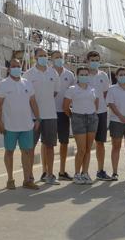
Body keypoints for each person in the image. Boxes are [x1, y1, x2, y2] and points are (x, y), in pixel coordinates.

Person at [0, 59, 40, 190]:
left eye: (18, 66)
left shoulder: (27, 83)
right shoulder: (3, 85)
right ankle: (10, 179)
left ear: (21, 68)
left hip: (26, 125)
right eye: (13, 66)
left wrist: (38, 119)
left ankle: (27, 180)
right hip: (10, 125)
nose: (16, 68)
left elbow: (33, 102)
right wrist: (0, 122)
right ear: (9, 69)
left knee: (27, 152)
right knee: (9, 152)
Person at [24, 48, 60, 184]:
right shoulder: (28, 74)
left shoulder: (53, 72)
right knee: (30, 147)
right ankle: (30, 176)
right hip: (33, 117)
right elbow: (27, 95)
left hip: (50, 115)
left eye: (45, 55)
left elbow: (55, 92)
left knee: (50, 146)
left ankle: (49, 175)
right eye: (41, 55)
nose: (44, 57)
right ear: (35, 57)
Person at [63, 67, 98, 185]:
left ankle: (85, 173)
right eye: (82, 74)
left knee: (88, 149)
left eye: (86, 74)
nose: (84, 76)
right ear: (77, 76)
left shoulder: (92, 89)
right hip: (78, 118)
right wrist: (74, 117)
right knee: (81, 149)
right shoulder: (72, 89)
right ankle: (77, 174)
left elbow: (96, 103)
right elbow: (65, 106)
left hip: (92, 118)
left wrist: (93, 113)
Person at [86, 51, 112, 181]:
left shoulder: (103, 75)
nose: (95, 62)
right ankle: (83, 172)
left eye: (97, 60)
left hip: (101, 112)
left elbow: (106, 93)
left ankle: (100, 170)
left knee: (100, 143)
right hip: (87, 113)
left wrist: (101, 105)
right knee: (86, 144)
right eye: (92, 60)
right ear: (87, 61)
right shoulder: (83, 75)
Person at [52, 50, 75, 181]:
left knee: (64, 142)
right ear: (52, 59)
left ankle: (62, 171)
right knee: (48, 143)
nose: (59, 59)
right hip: (49, 112)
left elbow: (74, 93)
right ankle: (46, 171)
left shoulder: (70, 75)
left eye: (60, 57)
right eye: (56, 57)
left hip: (64, 112)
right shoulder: (48, 73)